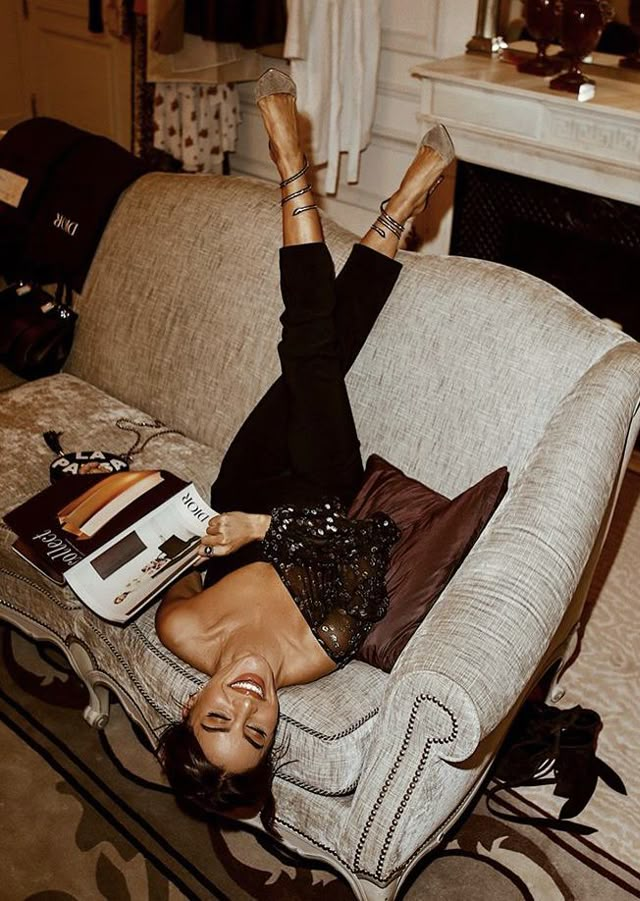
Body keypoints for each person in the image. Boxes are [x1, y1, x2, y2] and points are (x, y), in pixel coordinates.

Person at [155, 68, 455, 827]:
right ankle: (299, 171)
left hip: (246, 482)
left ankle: (396, 209)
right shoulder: (324, 648)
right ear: (275, 733)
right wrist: (263, 533)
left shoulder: (181, 629)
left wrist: (194, 536)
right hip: (321, 495)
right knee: (312, 351)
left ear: (192, 702)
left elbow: (183, 565)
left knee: (320, 351)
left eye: (218, 719)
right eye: (257, 733)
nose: (246, 706)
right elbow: (368, 538)